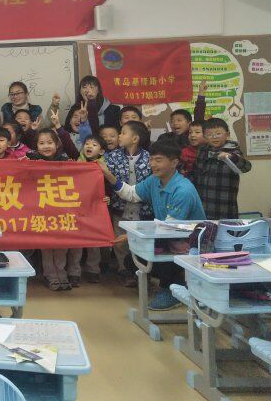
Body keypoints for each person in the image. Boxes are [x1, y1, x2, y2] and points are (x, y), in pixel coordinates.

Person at [101, 140, 205, 310]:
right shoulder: (154, 180)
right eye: (151, 159)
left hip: (188, 243)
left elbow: (169, 228)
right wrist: (108, 175)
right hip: (168, 238)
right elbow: (131, 193)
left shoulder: (183, 190)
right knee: (132, 260)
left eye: (158, 160)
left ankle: (173, 287)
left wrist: (130, 236)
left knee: (153, 257)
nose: (153, 164)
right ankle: (172, 283)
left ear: (174, 163)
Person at [104, 121, 152, 287]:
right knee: (120, 244)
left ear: (135, 138)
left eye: (123, 133)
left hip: (144, 211)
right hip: (120, 209)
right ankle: (124, 270)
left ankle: (142, 272)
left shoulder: (149, 158)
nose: (119, 136)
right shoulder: (112, 157)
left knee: (140, 243)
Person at [26, 129, 72, 291]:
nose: (46, 146)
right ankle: (50, 276)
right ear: (36, 146)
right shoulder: (30, 159)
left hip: (61, 209)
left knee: (62, 244)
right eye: (41, 143)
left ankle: (62, 273)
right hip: (41, 209)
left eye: (49, 142)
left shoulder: (65, 159)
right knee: (46, 245)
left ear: (57, 144)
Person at [192, 118, 252, 219]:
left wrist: (230, 157)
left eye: (218, 133)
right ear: (205, 137)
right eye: (210, 134)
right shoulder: (202, 151)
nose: (214, 137)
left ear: (227, 134)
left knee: (225, 228)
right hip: (203, 205)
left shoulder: (233, 150)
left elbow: (246, 167)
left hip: (225, 206)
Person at [68, 134, 108, 285]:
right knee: (76, 242)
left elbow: (109, 186)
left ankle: (93, 270)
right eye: (87, 144)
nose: (89, 146)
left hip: (95, 208)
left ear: (102, 151)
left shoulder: (104, 166)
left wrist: (108, 197)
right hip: (76, 207)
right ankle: (74, 272)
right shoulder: (75, 163)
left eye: (94, 144)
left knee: (94, 241)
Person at [158, 81, 208, 147]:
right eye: (172, 121)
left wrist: (201, 93)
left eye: (179, 120)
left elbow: (199, 113)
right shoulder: (166, 138)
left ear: (189, 123)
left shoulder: (192, 137)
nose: (175, 123)